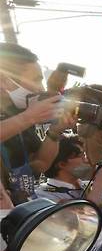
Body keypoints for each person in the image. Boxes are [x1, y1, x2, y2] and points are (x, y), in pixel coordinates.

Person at [0, 43, 76, 204]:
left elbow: (41, 164)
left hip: (20, 213)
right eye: (36, 80)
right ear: (4, 80)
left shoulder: (18, 114)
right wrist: (27, 118)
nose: (41, 88)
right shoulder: (23, 118)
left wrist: (55, 131)